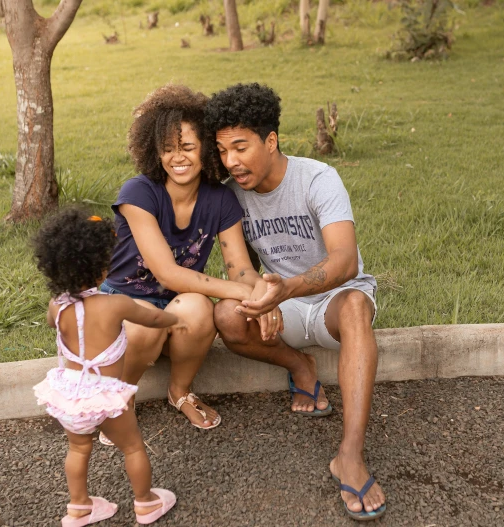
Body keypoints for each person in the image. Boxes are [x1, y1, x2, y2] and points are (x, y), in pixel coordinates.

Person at [206, 83, 387, 521]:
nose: (231, 161)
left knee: (357, 309)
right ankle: (300, 367)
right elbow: (240, 269)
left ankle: (349, 454)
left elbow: (344, 261)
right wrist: (263, 296)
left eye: (241, 147)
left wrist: (286, 289)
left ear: (271, 141)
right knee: (227, 315)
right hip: (282, 304)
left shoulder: (317, 177)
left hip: (332, 300)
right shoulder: (230, 195)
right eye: (222, 149)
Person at [99, 84, 267, 440]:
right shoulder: (138, 193)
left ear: (205, 148)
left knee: (199, 307)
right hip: (124, 304)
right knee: (146, 324)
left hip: (173, 303)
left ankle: (180, 391)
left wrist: (263, 295)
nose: (179, 157)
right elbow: (167, 272)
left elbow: (240, 267)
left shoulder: (220, 200)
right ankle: (115, 402)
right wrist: (238, 288)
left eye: (188, 147)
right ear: (154, 151)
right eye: (168, 149)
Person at [32, 208, 179, 526]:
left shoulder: (55, 307)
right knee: (132, 447)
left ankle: (79, 507)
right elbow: (153, 318)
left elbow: (53, 324)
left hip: (70, 396)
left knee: (78, 449)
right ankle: (145, 502)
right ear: (102, 268)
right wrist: (174, 319)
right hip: (105, 398)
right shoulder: (115, 305)